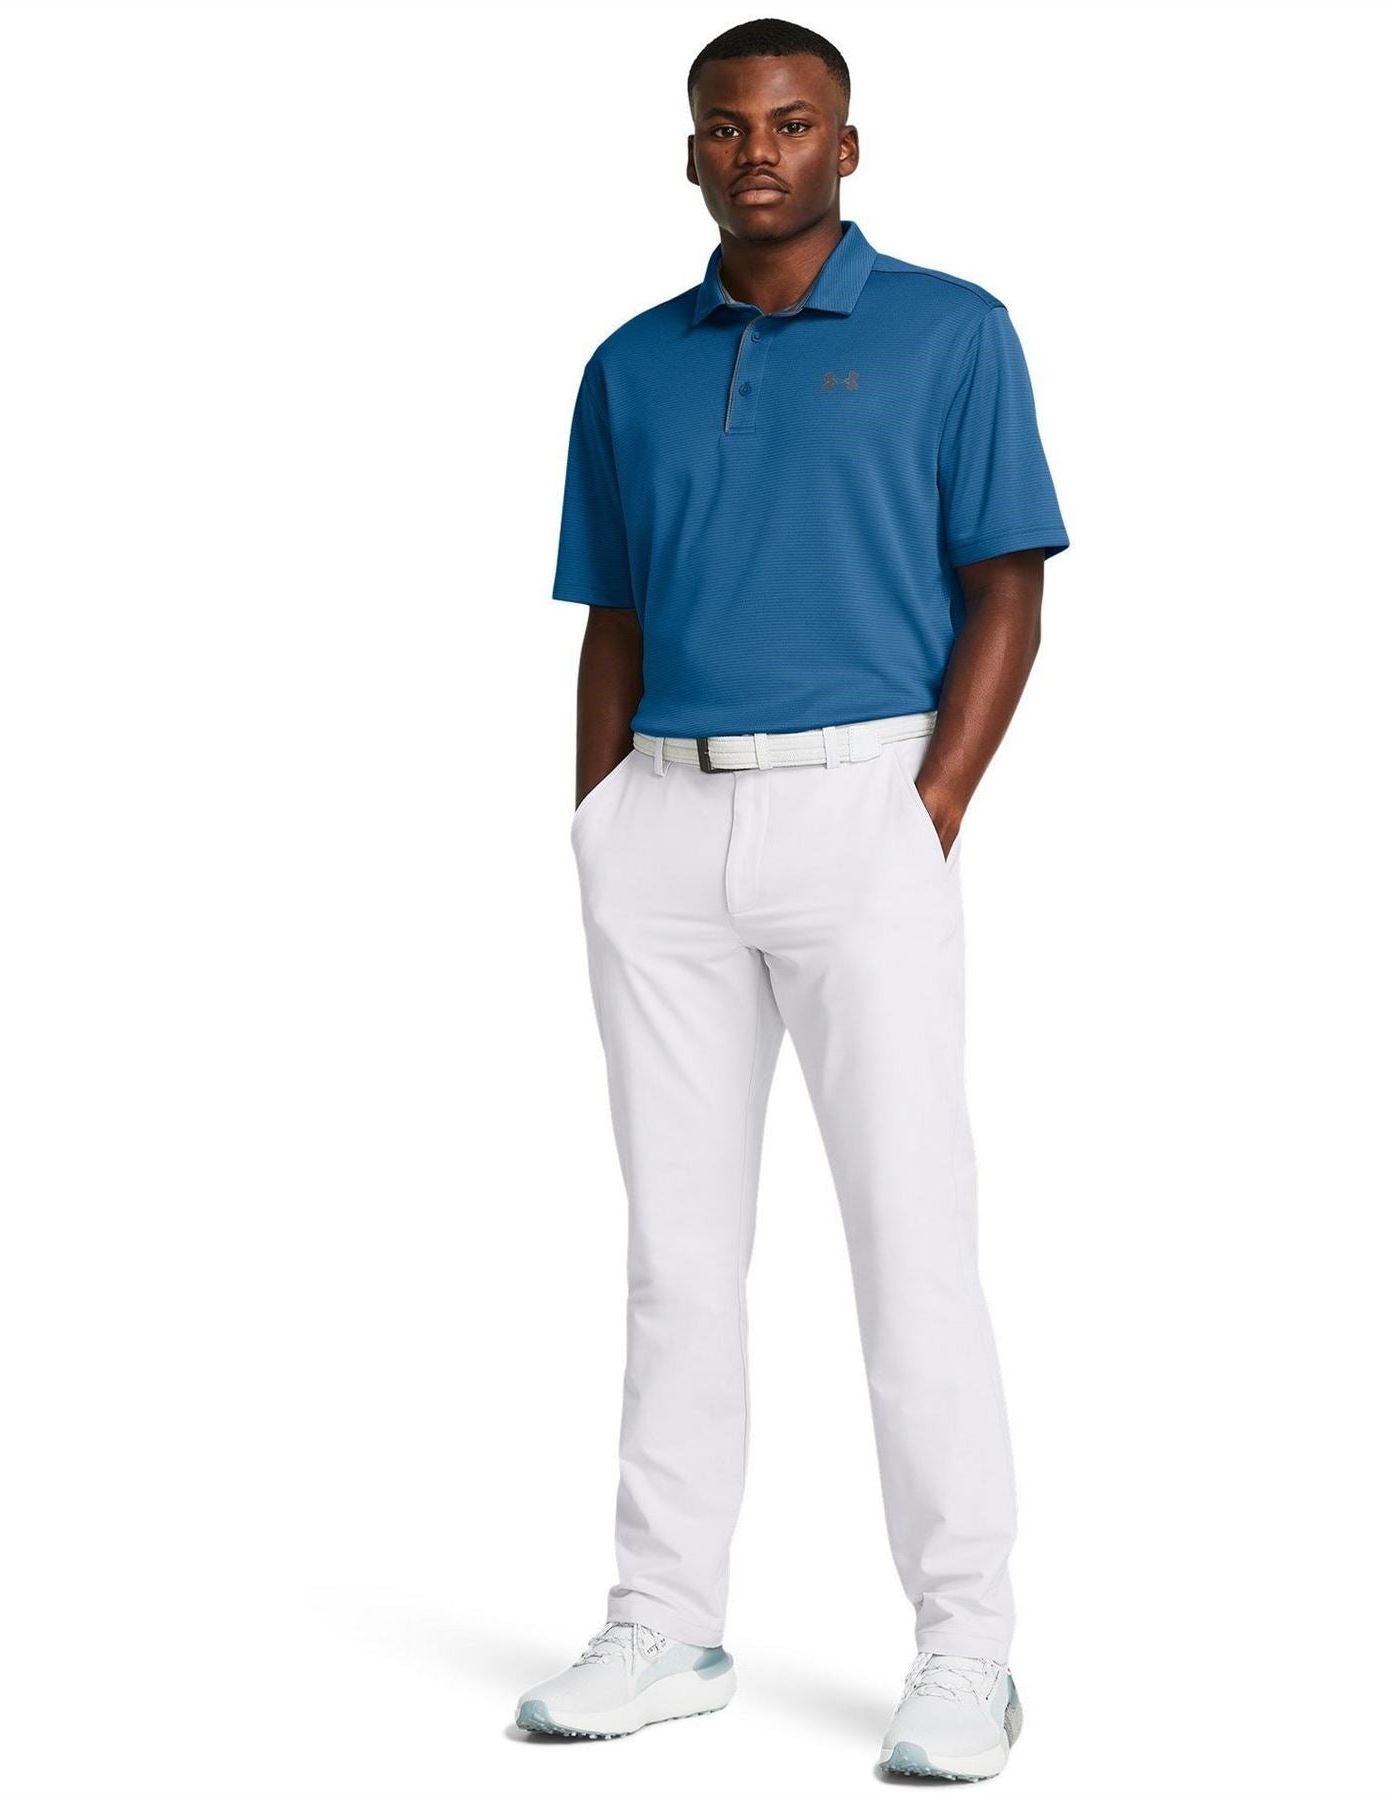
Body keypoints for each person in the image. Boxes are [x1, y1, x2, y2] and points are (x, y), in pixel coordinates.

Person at [514, 17, 1068, 1782]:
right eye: (726, 126)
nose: (758, 150)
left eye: (792, 122)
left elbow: (1008, 587)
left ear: (847, 145)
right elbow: (613, 608)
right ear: (690, 150)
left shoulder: (953, 333)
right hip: (663, 827)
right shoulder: (628, 365)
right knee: (677, 1258)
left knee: (913, 1242)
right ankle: (665, 1622)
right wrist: (599, 816)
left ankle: (965, 1650)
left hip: (863, 809)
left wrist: (931, 810)